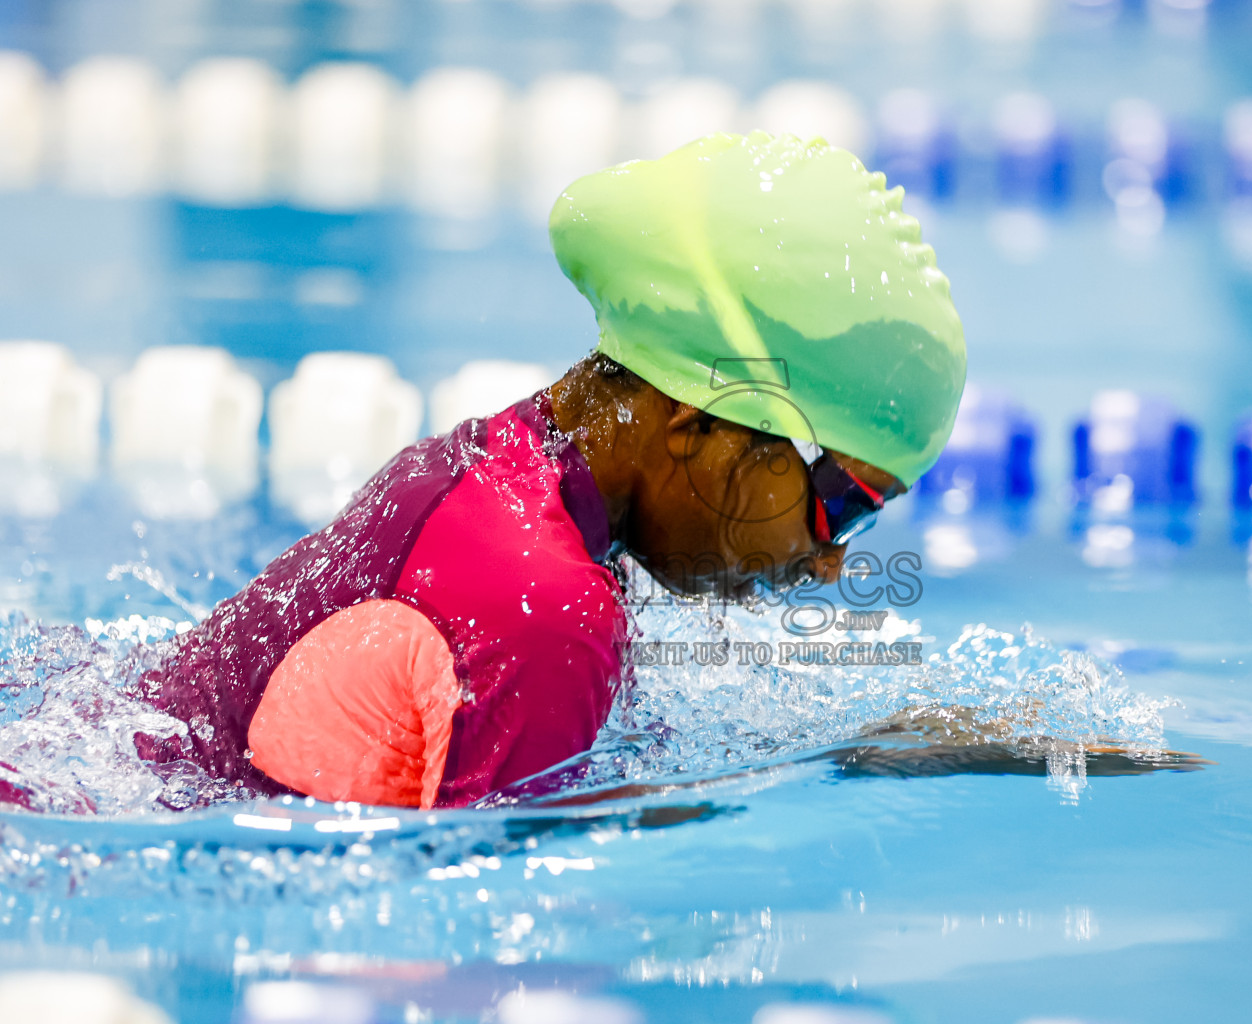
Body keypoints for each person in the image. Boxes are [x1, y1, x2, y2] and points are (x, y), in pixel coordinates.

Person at [131, 132, 968, 809]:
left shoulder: (498, 466)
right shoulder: (548, 614)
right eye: (842, 503)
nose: (831, 562)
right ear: (706, 425)